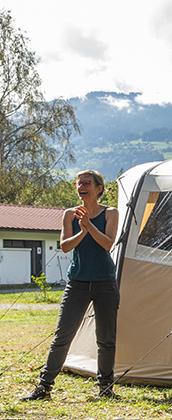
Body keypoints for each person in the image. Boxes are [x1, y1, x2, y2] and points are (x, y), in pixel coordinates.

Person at [22, 170, 121, 401]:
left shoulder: (111, 213)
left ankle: (106, 388)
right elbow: (65, 246)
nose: (81, 187)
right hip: (77, 282)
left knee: (106, 339)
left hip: (105, 282)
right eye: (79, 183)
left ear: (99, 188)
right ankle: (44, 387)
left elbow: (107, 244)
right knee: (62, 336)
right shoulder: (69, 214)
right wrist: (83, 230)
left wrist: (88, 225)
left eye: (87, 183)